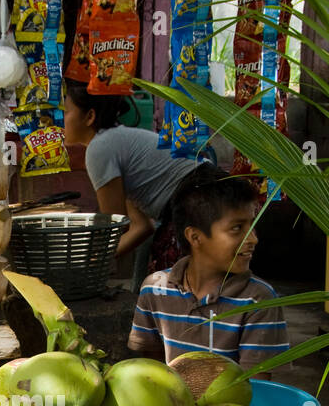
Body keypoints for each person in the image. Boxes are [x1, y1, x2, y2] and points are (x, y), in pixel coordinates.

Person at [127, 164, 289, 374]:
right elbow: (153, 375)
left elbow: (256, 387)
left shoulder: (258, 301)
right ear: (195, 237)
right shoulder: (155, 289)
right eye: (237, 228)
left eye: (252, 225)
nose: (253, 239)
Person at [63, 81, 212, 283]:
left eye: (65, 112)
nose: (60, 119)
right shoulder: (114, 140)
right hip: (204, 192)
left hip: (200, 200)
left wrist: (84, 263)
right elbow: (142, 226)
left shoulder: (99, 148)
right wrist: (95, 259)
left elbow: (115, 225)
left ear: (90, 116)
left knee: (170, 288)